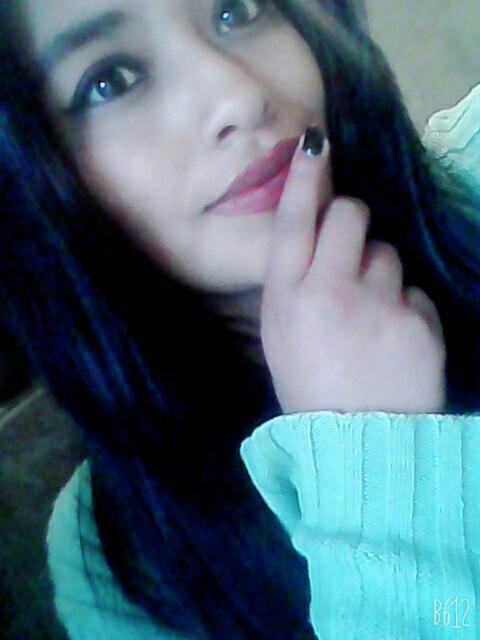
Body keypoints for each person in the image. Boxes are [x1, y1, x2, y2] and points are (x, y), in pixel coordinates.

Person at [0, 1, 479, 639]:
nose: (241, 96)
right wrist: (373, 455)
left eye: (237, 10)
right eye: (111, 80)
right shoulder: (113, 559)